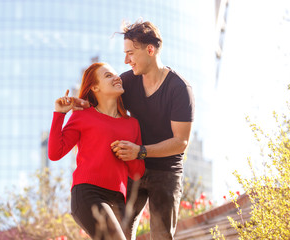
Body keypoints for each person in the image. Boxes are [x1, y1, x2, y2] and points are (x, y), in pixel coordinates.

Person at [110, 20, 195, 240]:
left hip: (166, 171)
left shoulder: (179, 89)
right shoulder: (127, 81)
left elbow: (181, 142)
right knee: (119, 232)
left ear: (150, 50)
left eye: (130, 53)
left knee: (161, 236)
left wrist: (140, 150)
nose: (126, 60)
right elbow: (102, 105)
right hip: (133, 168)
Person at [47, 62, 145, 240]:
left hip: (118, 200)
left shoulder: (132, 124)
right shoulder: (83, 116)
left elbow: (137, 172)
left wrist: (129, 154)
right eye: (108, 75)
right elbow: (55, 153)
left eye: (116, 75)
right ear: (94, 87)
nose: (117, 77)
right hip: (88, 194)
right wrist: (59, 114)